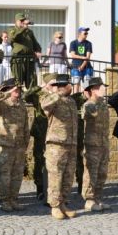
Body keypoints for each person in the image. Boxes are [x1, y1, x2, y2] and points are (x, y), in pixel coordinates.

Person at [0, 78, 29, 212]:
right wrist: (5, 92)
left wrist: (26, 143)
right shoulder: (2, 104)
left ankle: (14, 199)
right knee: (5, 174)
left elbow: (25, 126)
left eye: (18, 88)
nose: (17, 90)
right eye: (14, 88)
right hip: (6, 145)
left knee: (17, 174)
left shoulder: (21, 105)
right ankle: (5, 200)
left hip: (19, 145)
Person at [41, 74, 79, 220]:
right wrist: (58, 92)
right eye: (67, 85)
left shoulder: (71, 101)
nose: (70, 87)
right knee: (56, 176)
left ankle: (63, 203)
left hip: (71, 143)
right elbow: (44, 105)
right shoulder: (51, 99)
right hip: (56, 144)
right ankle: (55, 206)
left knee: (68, 177)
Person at [23, 73, 54, 203]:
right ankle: (40, 188)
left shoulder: (57, 95)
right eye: (52, 84)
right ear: (47, 84)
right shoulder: (39, 95)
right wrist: (39, 87)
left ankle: (53, 189)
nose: (54, 86)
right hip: (41, 132)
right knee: (40, 160)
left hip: (54, 132)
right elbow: (26, 96)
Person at [81, 77, 111, 211]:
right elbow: (88, 116)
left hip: (103, 143)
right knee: (91, 173)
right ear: (93, 89)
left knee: (102, 173)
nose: (104, 89)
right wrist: (91, 98)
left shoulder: (103, 104)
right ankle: (89, 200)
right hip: (92, 144)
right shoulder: (89, 105)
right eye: (101, 87)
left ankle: (98, 198)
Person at [9, 13, 42, 89]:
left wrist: (38, 50)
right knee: (17, 82)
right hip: (18, 60)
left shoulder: (29, 32)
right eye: (21, 21)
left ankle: (30, 100)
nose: (23, 22)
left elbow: (35, 43)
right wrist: (23, 28)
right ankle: (18, 100)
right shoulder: (12, 29)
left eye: (24, 20)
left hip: (29, 60)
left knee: (32, 82)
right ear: (16, 21)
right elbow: (14, 37)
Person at [69, 27, 93, 93]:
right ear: (79, 34)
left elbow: (88, 57)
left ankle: (88, 101)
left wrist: (82, 66)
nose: (86, 35)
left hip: (87, 67)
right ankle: (77, 100)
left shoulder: (88, 43)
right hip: (75, 67)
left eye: (87, 33)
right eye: (85, 33)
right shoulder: (73, 43)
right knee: (76, 84)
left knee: (87, 86)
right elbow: (73, 55)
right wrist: (83, 57)